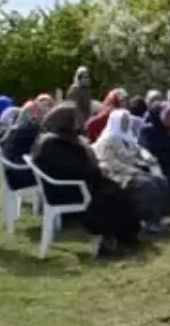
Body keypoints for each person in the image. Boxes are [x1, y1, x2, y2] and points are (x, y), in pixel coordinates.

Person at [31, 104, 141, 258]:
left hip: (64, 186)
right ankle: (115, 240)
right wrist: (95, 167)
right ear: (67, 122)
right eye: (76, 120)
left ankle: (121, 237)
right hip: (68, 191)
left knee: (116, 189)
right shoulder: (56, 144)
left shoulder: (48, 139)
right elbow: (76, 169)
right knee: (114, 196)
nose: (80, 123)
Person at [92, 109, 170, 235]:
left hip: (133, 170)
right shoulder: (108, 139)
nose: (126, 123)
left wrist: (145, 160)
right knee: (147, 185)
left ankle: (157, 220)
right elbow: (111, 162)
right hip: (117, 174)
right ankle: (147, 220)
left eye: (127, 121)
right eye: (123, 121)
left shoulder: (128, 137)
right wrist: (135, 171)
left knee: (161, 181)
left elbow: (138, 151)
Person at [0, 101, 46, 191]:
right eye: (41, 112)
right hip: (18, 175)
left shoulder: (17, 128)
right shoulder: (31, 129)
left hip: (11, 172)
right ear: (34, 114)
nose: (44, 115)